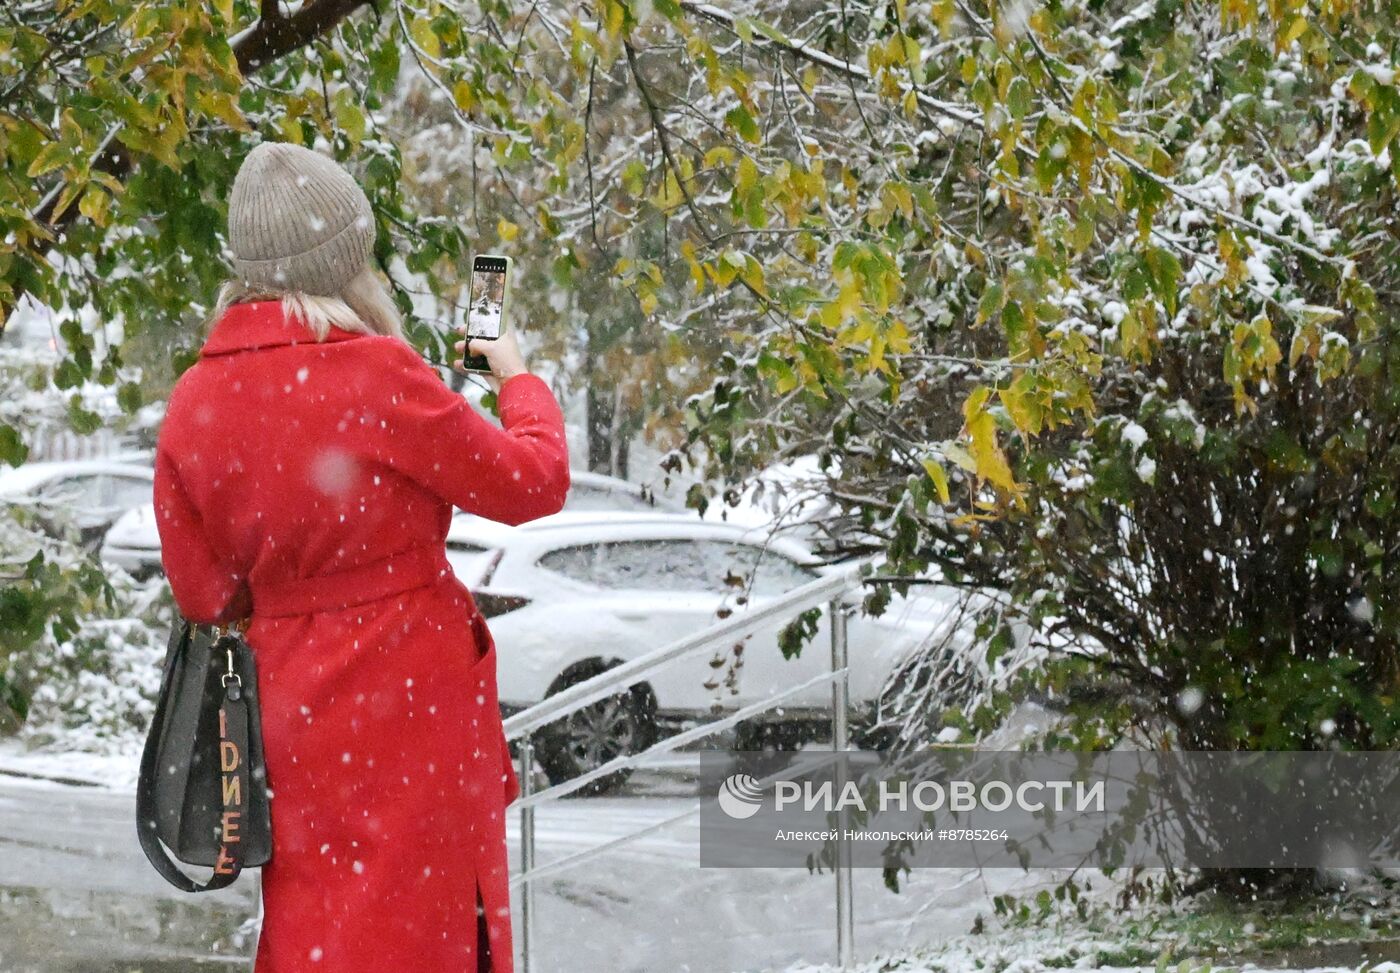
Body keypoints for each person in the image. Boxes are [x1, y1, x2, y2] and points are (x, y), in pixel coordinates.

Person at [153, 141, 569, 973]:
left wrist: (292, 585)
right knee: (428, 919)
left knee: (320, 919)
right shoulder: (381, 374)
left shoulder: (196, 397)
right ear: (346, 262)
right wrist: (517, 376)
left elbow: (204, 592)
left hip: (290, 705)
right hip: (413, 698)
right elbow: (535, 480)